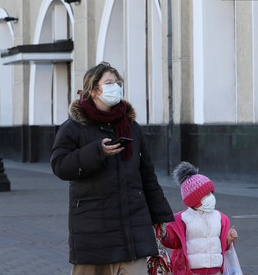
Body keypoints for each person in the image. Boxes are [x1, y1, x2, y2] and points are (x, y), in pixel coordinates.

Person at [51, 61, 174, 275]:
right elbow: (60, 165)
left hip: (132, 228)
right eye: (109, 83)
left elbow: (147, 174)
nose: (115, 87)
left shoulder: (130, 125)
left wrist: (160, 215)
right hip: (93, 232)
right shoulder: (73, 127)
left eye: (117, 83)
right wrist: (96, 152)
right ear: (93, 89)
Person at [160, 162, 239, 275]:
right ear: (194, 199)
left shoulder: (220, 218)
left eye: (211, 193)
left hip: (216, 270)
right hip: (192, 271)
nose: (211, 197)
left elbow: (221, 244)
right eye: (206, 195)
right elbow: (174, 241)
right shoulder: (183, 219)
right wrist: (165, 235)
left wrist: (228, 240)